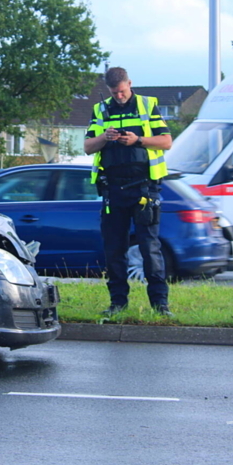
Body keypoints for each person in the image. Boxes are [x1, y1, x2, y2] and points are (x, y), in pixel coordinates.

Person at [84, 67, 174, 316]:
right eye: (115, 93)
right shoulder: (101, 110)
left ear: (129, 84)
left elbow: (166, 141)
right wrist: (105, 136)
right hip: (113, 189)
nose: (119, 97)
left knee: (149, 248)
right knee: (114, 249)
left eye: (122, 92)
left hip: (144, 188)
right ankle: (117, 303)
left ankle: (160, 305)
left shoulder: (147, 105)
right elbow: (88, 147)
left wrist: (138, 140)